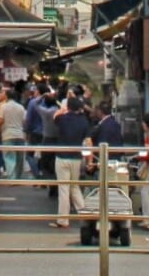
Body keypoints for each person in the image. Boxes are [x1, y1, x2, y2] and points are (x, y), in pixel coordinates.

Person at [49, 96, 92, 228]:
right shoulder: (84, 121)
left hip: (62, 157)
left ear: (68, 107)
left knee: (64, 188)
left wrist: (62, 110)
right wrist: (89, 159)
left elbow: (54, 116)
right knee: (74, 187)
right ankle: (85, 215)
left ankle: (63, 220)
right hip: (76, 158)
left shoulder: (63, 119)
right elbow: (89, 141)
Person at [0, 86, 28, 181]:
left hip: (7, 134)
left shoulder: (4, 107)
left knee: (9, 157)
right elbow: (24, 121)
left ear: (7, 96)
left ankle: (12, 178)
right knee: (19, 157)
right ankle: (18, 177)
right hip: (20, 134)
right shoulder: (21, 107)